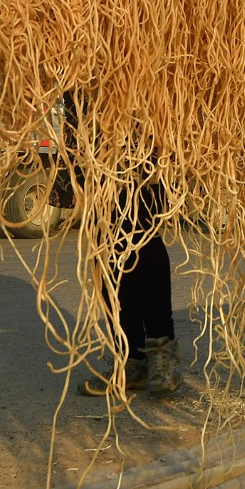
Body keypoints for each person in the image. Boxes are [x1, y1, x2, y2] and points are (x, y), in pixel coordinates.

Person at [57, 93, 181, 398]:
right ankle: (129, 360)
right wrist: (67, 169)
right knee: (106, 252)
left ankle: (161, 353)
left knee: (144, 241)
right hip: (94, 143)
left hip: (143, 139)